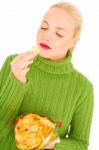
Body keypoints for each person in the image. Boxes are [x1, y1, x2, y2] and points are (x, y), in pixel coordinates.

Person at [0, 1, 94, 150]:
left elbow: (81, 144)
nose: (46, 36)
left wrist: (53, 143)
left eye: (59, 33)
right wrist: (15, 83)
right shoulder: (14, 63)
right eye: (44, 27)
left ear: (73, 41)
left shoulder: (83, 87)